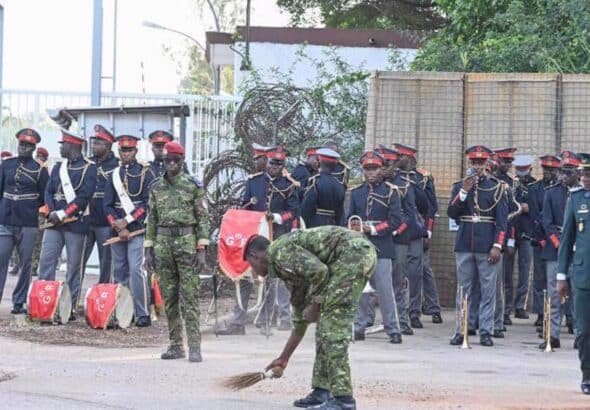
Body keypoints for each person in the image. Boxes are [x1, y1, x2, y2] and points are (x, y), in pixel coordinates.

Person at [245, 226, 377, 410]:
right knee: (324, 329)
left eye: (251, 265)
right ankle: (322, 391)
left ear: (254, 256)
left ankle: (343, 400)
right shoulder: (285, 267)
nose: (254, 271)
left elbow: (320, 272)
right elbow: (300, 317)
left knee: (333, 330)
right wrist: (284, 358)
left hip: (352, 255)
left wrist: (315, 305)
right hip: (346, 259)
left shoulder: (280, 253)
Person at [219, 146, 299, 335]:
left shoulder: (288, 185)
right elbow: (244, 206)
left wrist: (277, 217)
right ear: (266, 162)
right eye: (272, 163)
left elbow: (293, 211)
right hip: (252, 236)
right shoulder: (254, 182)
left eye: (279, 164)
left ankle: (266, 319)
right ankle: (238, 322)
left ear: (283, 165)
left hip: (276, 236)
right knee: (244, 276)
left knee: (272, 277)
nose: (275, 167)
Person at [144, 141, 210, 363]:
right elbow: (151, 219)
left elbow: (203, 217)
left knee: (189, 296)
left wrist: (201, 249)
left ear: (182, 161)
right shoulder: (155, 186)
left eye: (176, 160)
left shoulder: (193, 185)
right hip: (163, 244)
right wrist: (148, 249)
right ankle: (175, 345)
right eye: (167, 160)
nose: (171, 164)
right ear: (163, 161)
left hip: (187, 242)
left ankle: (194, 346)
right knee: (169, 298)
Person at [448, 145, 508, 347]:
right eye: (474, 162)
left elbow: (502, 222)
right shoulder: (459, 186)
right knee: (463, 291)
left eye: (481, 162)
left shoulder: (497, 187)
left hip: (487, 244)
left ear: (487, 163)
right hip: (465, 243)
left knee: (488, 290)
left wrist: (498, 245)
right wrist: (464, 191)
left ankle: (485, 331)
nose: (477, 166)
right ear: (469, 163)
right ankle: (461, 329)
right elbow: (452, 213)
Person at [38, 129, 97, 319]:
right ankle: (44, 303)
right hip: (54, 223)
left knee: (73, 268)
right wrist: (53, 212)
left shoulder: (90, 168)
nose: (61, 147)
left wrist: (63, 213)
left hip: (75, 224)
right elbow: (48, 191)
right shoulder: (57, 167)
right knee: (46, 262)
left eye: (63, 144)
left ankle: (68, 308)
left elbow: (84, 197)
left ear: (72, 146)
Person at [349, 151, 405, 344]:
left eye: (374, 168)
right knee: (361, 289)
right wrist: (355, 227)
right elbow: (349, 218)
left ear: (381, 169)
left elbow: (396, 221)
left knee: (384, 289)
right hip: (360, 246)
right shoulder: (356, 193)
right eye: (367, 169)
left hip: (382, 245)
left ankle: (392, 328)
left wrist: (371, 228)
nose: (371, 172)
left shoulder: (391, 191)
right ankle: (359, 325)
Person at [104, 134, 154, 327]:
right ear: (118, 152)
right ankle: (123, 311)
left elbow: (147, 203)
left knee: (136, 270)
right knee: (119, 272)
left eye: (129, 150)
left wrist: (127, 221)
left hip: (137, 230)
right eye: (123, 150)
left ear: (135, 151)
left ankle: (142, 313)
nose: (126, 153)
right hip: (116, 230)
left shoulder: (145, 173)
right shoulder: (113, 174)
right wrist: (115, 224)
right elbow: (106, 204)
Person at [0, 129, 49, 313]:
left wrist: (28, 205)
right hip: (5, 219)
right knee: (1, 260)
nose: (24, 148)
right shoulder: (6, 165)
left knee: (26, 263)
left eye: (28, 146)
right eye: (22, 144)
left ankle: (19, 302)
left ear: (34, 148)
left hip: (27, 221)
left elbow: (44, 197)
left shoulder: (39, 170)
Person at [556, 152, 590, 394]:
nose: (586, 178)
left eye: (589, 174)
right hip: (582, 276)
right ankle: (587, 375)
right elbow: (567, 239)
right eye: (584, 174)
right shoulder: (576, 199)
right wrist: (561, 276)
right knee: (584, 331)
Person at [539, 151, 581, 349]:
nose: (565, 176)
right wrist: (558, 243)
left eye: (569, 172)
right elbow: (546, 222)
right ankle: (552, 335)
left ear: (578, 174)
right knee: (555, 296)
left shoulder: (583, 195)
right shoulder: (551, 192)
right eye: (563, 172)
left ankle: (580, 336)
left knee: (579, 296)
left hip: (579, 251)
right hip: (555, 250)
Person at [394, 143, 434, 329]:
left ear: (409, 159)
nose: (397, 159)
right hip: (397, 232)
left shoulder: (421, 179)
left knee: (415, 274)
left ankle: (414, 312)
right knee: (398, 273)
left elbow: (428, 207)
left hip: (415, 231)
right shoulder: (391, 178)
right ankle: (398, 312)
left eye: (400, 156)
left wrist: (428, 232)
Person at [82, 125, 119, 284]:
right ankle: (72, 300)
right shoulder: (87, 162)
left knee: (106, 263)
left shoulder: (116, 165)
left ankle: (103, 299)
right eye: (94, 142)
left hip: (106, 220)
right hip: (86, 219)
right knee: (79, 260)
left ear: (108, 145)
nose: (94, 145)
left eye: (98, 143)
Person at [528, 155, 560, 326]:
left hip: (558, 239)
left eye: (552, 170)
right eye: (546, 169)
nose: (549, 172)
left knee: (561, 279)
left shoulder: (561, 189)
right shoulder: (535, 188)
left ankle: (567, 316)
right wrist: (540, 239)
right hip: (541, 240)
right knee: (540, 279)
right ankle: (541, 313)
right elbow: (534, 216)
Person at [508, 154, 536, 321]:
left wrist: (529, 208)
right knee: (507, 272)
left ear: (530, 169)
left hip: (527, 233)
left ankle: (520, 306)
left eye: (524, 169)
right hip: (511, 231)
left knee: (525, 272)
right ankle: (507, 307)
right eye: (519, 169)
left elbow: (539, 206)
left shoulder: (536, 185)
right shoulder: (510, 184)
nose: (521, 172)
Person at [301, 148, 346, 228]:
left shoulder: (315, 181)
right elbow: (340, 213)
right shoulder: (339, 185)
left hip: (316, 225)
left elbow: (306, 208)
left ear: (319, 161)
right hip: (333, 225)